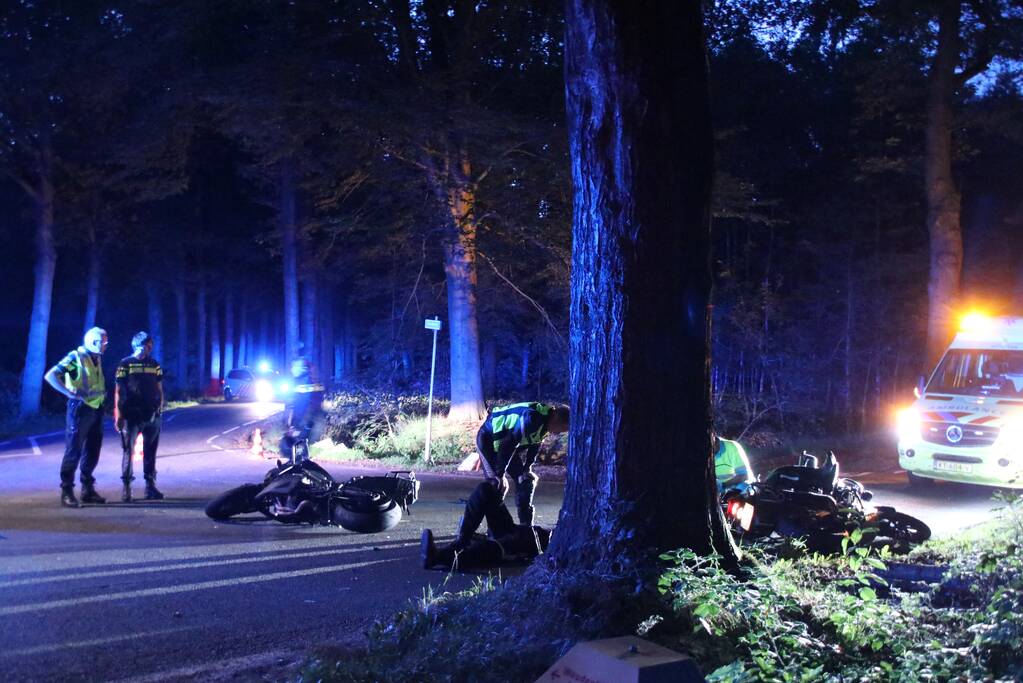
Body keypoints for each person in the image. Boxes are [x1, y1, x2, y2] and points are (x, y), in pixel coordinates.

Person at [420, 480, 552, 571]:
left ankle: (438, 557)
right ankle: (462, 540)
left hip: (529, 545)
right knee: (486, 489)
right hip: (520, 531)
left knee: (493, 548)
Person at [44, 327, 110, 507]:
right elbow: (51, 376)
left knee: (93, 450)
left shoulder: (97, 358)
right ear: (93, 342)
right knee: (74, 451)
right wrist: (69, 393)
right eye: (103, 342)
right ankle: (67, 491)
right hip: (80, 410)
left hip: (96, 408)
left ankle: (87, 489)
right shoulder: (76, 358)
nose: (106, 345)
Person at [475, 402, 569, 526]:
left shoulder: (545, 422)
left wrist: (527, 468)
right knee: (496, 484)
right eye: (561, 429)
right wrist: (500, 473)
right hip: (488, 440)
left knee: (525, 481)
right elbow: (507, 445)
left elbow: (535, 445)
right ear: (556, 419)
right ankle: (493, 528)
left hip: (505, 446)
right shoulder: (532, 418)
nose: (558, 434)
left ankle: (526, 527)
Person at [114, 331, 165, 502]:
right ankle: (126, 488)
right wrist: (119, 414)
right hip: (131, 415)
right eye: (147, 344)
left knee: (151, 451)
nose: (150, 347)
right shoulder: (125, 364)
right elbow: (119, 391)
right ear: (138, 345)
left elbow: (159, 389)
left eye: (151, 344)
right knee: (128, 451)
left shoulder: (154, 364)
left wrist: (160, 409)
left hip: (152, 414)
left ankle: (150, 487)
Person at [279, 356, 325, 462]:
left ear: (301, 369)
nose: (291, 369)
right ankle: (302, 463)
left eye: (294, 367)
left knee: (297, 446)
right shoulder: (310, 380)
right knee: (301, 444)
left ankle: (299, 468)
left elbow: (302, 405)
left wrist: (295, 425)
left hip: (304, 419)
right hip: (310, 419)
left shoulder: (303, 382)